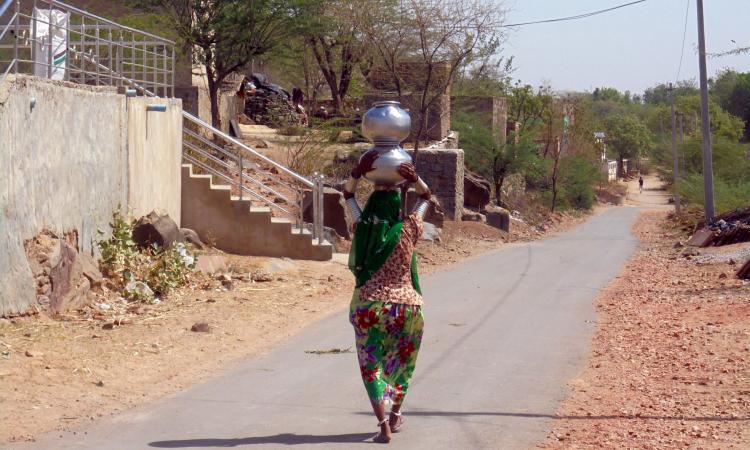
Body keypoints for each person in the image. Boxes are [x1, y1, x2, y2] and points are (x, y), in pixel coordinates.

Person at [343, 152, 432, 444]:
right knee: (401, 362)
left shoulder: (363, 226)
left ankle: (383, 424)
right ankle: (396, 413)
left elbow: (348, 197)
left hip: (370, 306)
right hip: (407, 308)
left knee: (372, 365)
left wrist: (357, 174)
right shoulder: (409, 229)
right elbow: (426, 198)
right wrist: (413, 178)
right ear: (396, 208)